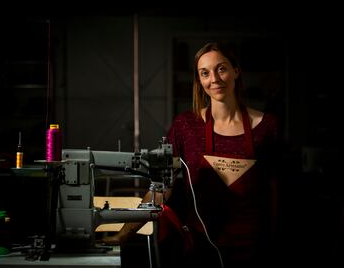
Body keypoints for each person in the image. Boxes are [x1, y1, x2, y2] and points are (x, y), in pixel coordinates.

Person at [101, 41, 280, 268]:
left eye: (221, 69)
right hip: (200, 250)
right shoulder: (186, 126)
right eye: (205, 73)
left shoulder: (267, 126)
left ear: (236, 70)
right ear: (199, 80)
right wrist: (122, 235)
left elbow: (276, 195)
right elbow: (160, 190)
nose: (214, 79)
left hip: (256, 251)